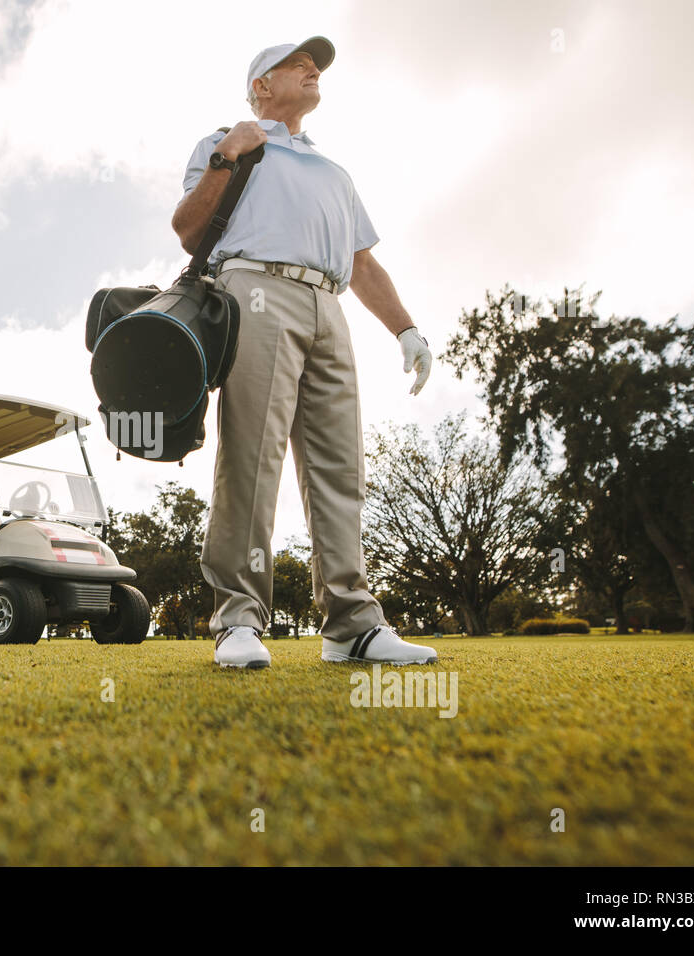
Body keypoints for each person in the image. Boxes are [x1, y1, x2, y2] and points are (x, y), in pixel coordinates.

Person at [171, 36, 438, 670]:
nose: (312, 70)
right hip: (254, 290)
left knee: (341, 470)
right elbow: (188, 231)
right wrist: (226, 156)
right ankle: (236, 618)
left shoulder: (333, 172)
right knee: (253, 458)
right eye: (296, 64)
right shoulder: (226, 142)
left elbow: (360, 261)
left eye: (313, 64)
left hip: (329, 306)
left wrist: (406, 330)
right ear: (261, 86)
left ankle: (351, 626)